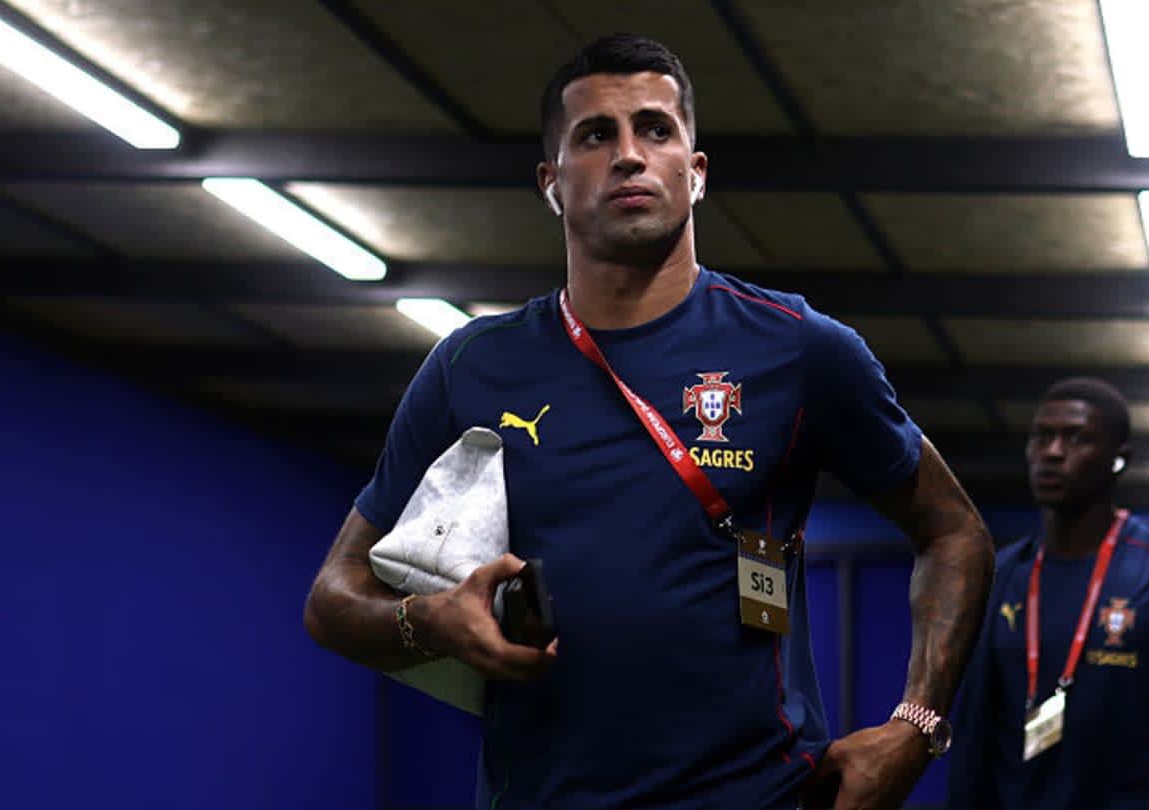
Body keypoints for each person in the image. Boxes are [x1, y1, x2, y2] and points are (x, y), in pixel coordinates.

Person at [303, 34, 994, 810]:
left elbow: (954, 531)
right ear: (552, 183)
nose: (630, 155)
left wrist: (917, 725)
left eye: (656, 129)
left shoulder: (801, 349)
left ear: (695, 174)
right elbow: (333, 597)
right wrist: (429, 620)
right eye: (596, 136)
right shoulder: (471, 365)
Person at [948, 377, 1149, 809]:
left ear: (1119, 460)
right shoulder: (999, 577)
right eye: (1042, 436)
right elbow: (972, 740)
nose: (1053, 452)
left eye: (1076, 438)